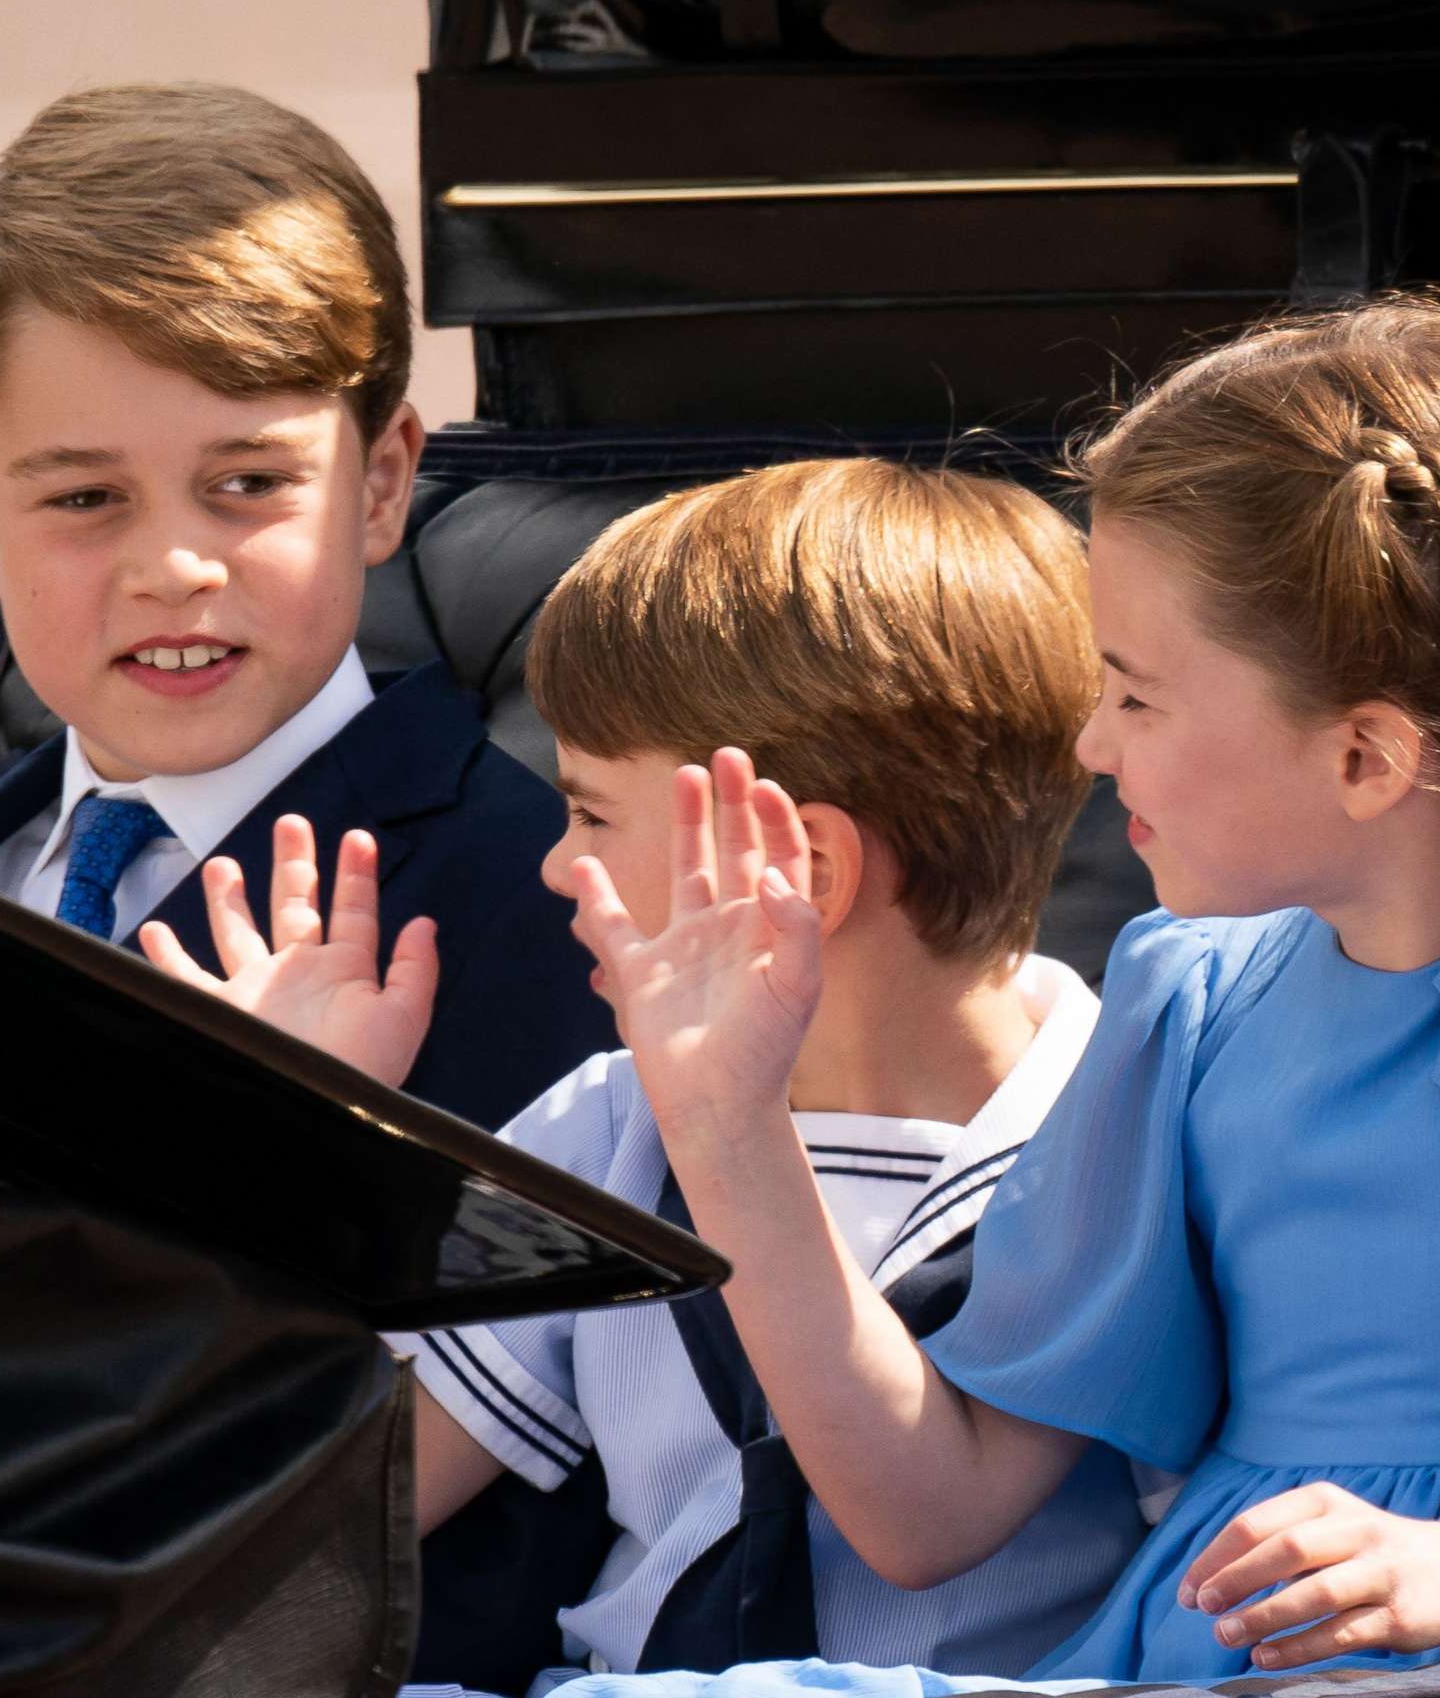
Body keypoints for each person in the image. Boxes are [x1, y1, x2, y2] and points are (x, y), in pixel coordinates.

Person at [530, 299, 1440, 1689]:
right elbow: (929, 1511)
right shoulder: (1192, 996)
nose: (1092, 746)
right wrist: (727, 1125)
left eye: (1138, 693)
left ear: (1365, 756)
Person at [150, 460, 1153, 1683]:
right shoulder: (604, 1127)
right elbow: (319, 1504)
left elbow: (920, 1527)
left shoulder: (1122, 1129)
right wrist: (301, 1153)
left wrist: (725, 1125)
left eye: (594, 816)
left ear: (803, 872)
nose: (558, 865)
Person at [0, 82, 610, 1129]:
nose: (174, 568)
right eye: (86, 497)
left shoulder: (555, 917)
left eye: (250, 483)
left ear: (381, 483)